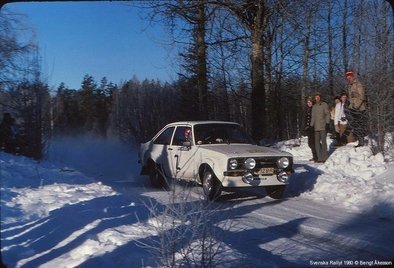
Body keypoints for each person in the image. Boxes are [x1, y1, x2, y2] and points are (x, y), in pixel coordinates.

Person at [345, 70, 367, 147]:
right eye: (347, 78)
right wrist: (351, 107)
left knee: (359, 124)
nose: (348, 79)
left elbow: (361, 97)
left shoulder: (358, 84)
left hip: (359, 108)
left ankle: (361, 141)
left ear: (352, 77)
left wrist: (356, 107)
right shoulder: (349, 86)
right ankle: (358, 140)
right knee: (355, 125)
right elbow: (351, 99)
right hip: (353, 108)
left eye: (349, 77)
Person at [310, 93, 330, 163]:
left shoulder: (324, 104)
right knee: (317, 143)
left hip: (323, 126)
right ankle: (319, 157)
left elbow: (327, 114)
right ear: (315, 98)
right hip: (316, 127)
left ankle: (324, 157)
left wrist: (327, 123)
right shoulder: (314, 106)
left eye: (318, 97)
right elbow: (313, 117)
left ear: (320, 98)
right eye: (316, 97)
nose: (317, 98)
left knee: (323, 142)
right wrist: (311, 126)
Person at [304, 96, 317, 162]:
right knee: (310, 143)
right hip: (309, 129)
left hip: (314, 128)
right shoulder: (308, 109)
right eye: (308, 102)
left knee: (313, 143)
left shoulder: (314, 108)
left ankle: (316, 156)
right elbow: (306, 119)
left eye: (310, 102)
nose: (309, 103)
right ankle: (315, 156)